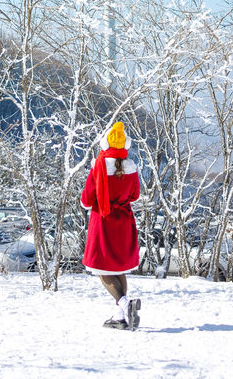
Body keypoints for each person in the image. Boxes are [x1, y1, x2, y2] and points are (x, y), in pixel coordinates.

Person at [80, 121, 141, 330]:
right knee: (118, 267)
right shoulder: (131, 167)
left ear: (105, 144)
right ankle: (120, 317)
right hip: (124, 222)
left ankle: (125, 304)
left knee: (103, 269)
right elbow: (135, 195)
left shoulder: (98, 167)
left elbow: (86, 200)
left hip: (102, 223)